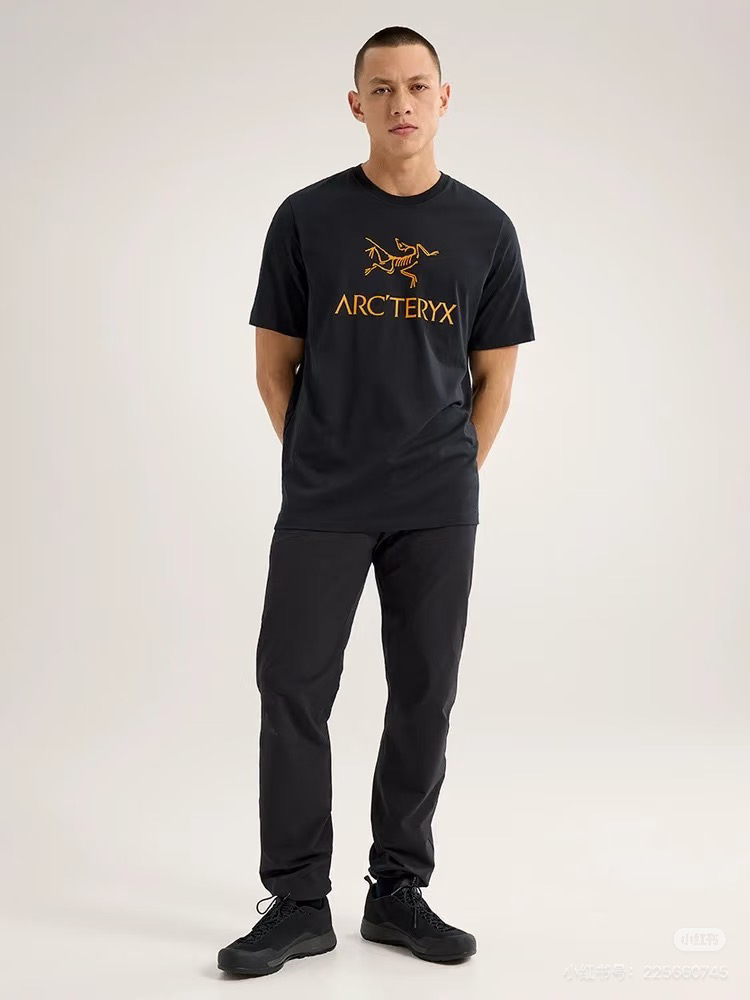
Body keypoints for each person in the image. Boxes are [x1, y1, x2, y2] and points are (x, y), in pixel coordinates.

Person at [217, 24, 535, 978]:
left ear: (445, 98)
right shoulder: (306, 218)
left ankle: (398, 891)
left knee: (424, 692)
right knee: (292, 685)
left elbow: (495, 379)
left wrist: (447, 473)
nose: (402, 103)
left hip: (437, 501)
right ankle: (297, 902)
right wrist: (323, 459)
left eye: (418, 86)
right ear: (356, 103)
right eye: (383, 88)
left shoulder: (486, 229)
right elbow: (273, 365)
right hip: (324, 497)